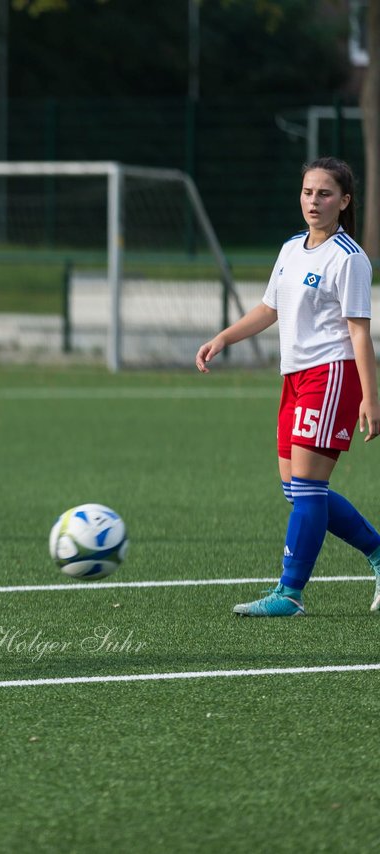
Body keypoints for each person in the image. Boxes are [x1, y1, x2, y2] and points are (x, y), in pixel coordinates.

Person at [196, 156, 380, 616]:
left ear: (344, 200)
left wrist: (371, 399)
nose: (313, 201)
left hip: (331, 375)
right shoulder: (292, 248)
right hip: (295, 377)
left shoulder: (350, 259)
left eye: (324, 193)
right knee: (296, 491)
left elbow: (360, 332)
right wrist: (223, 338)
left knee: (309, 488)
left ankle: (290, 594)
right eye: (307, 192)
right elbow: (269, 310)